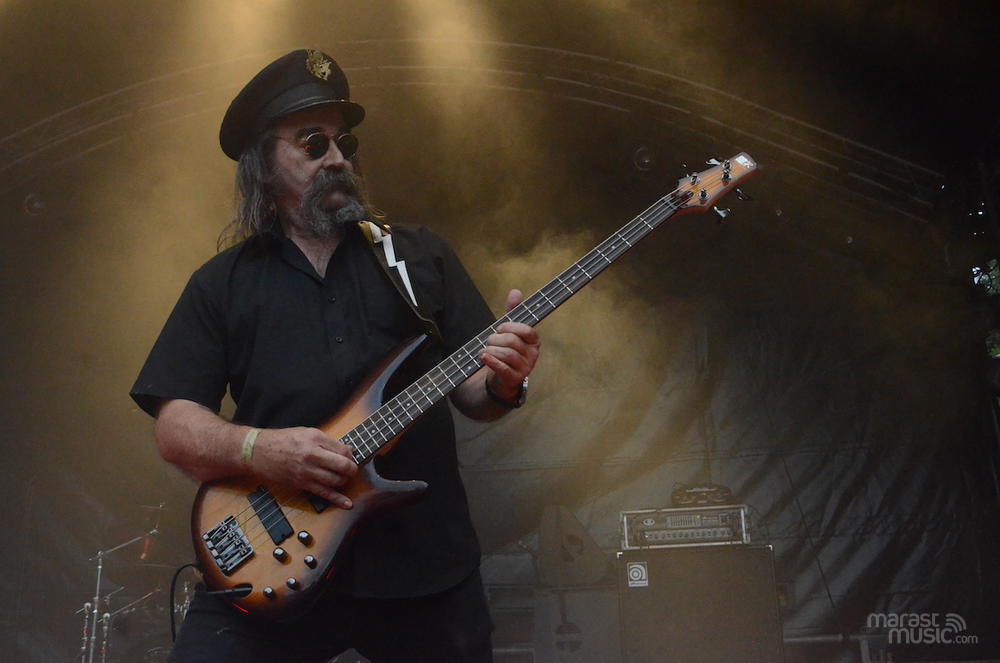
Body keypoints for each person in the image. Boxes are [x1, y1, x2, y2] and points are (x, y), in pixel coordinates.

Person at [130, 49, 540, 663]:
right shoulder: (222, 284)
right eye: (313, 142)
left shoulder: (418, 258)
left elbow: (476, 396)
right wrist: (260, 450)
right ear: (264, 165)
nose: (337, 158)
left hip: (421, 567)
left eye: (344, 142)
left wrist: (506, 381)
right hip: (274, 560)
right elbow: (174, 427)